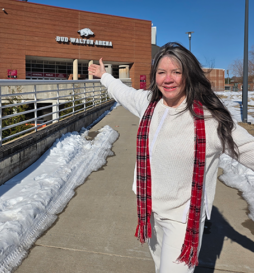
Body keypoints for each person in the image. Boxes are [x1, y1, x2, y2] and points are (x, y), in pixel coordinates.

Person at [88, 42, 254, 273]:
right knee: (159, 267)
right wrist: (104, 76)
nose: (168, 79)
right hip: (149, 212)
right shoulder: (149, 105)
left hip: (183, 220)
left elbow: (249, 149)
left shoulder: (210, 119)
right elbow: (123, 92)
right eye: (161, 72)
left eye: (176, 72)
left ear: (189, 75)